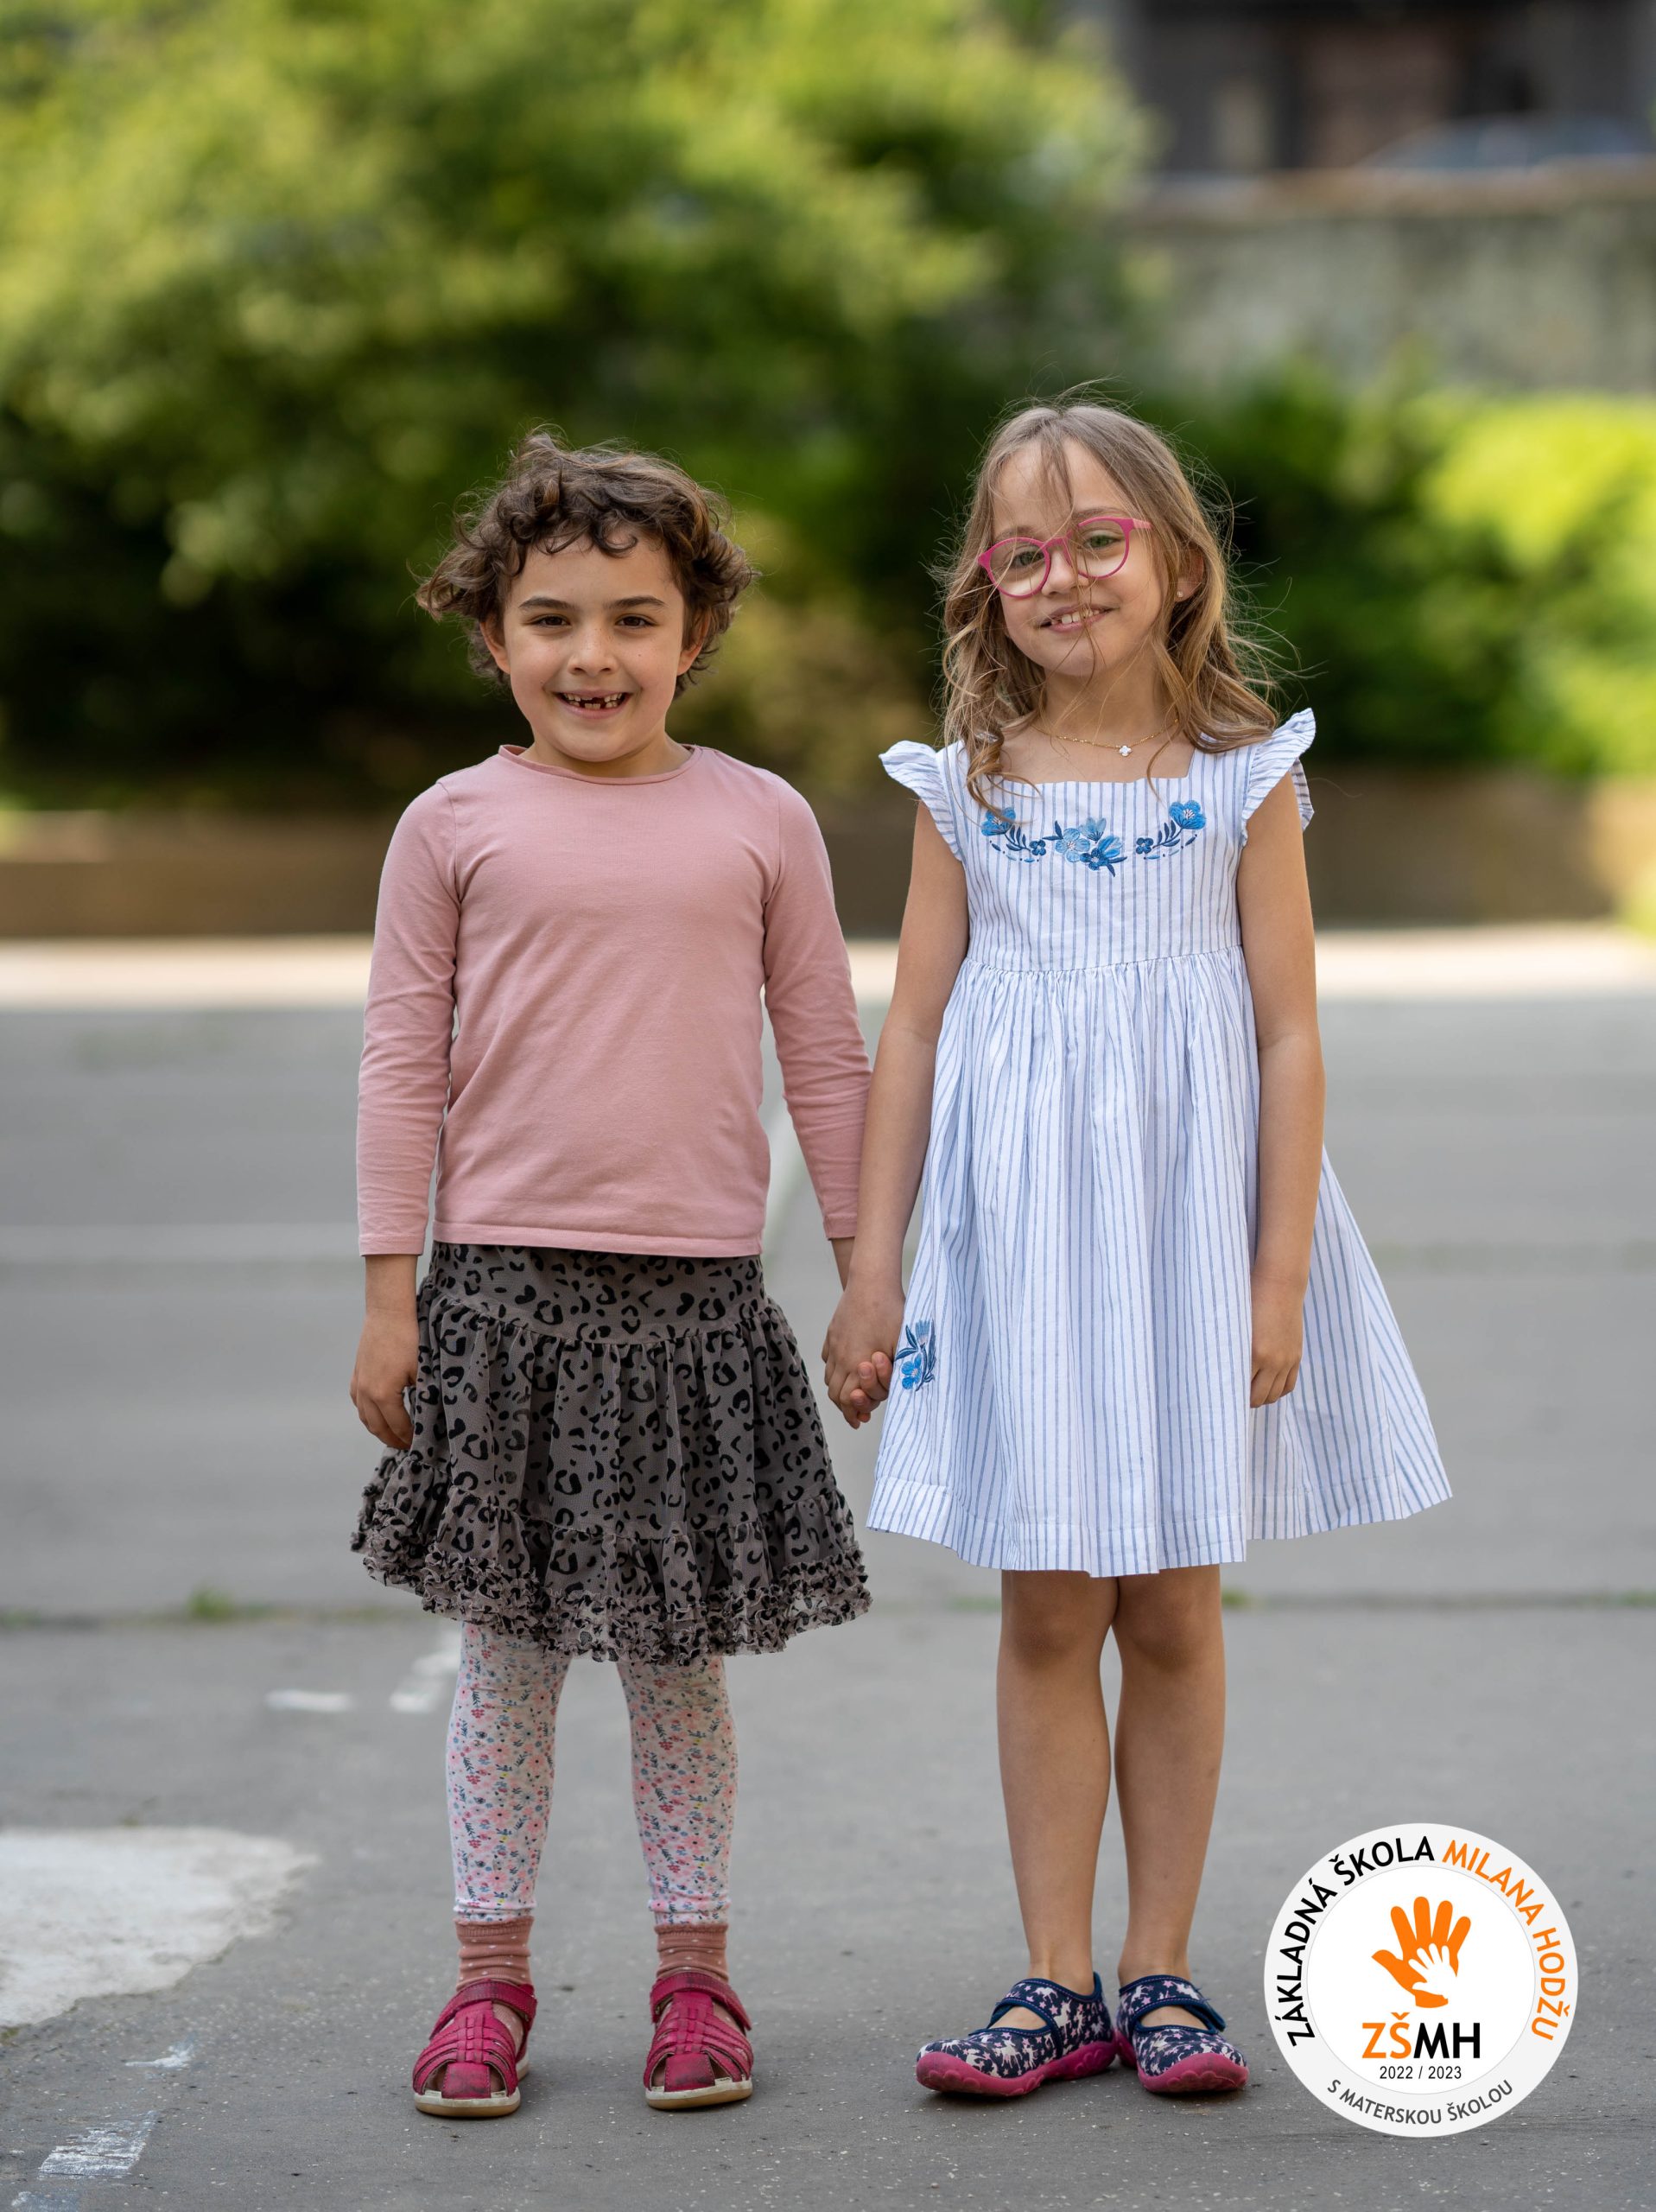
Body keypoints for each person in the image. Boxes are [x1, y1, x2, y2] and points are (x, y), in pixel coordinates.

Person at [823, 398, 1450, 2100]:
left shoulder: (1244, 779)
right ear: (984, 582)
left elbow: (1289, 1035)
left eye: (1097, 538)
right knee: (1047, 1602)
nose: (1062, 576)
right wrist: (873, 1266)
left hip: (1187, 1235)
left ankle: (1160, 1968)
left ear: (1175, 562)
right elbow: (912, 1035)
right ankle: (1052, 1979)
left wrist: (1274, 1277)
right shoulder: (965, 787)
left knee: (1170, 1600)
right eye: (1021, 550)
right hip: (1022, 1242)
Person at [350, 432, 872, 2118]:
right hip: (497, 1302)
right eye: (553, 618)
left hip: (696, 1309)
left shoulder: (761, 819)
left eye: (635, 618)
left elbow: (826, 1057)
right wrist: (386, 1292)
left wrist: (863, 1272)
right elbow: (400, 1065)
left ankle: (694, 1979)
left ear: (694, 633)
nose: (595, 655)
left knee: (675, 1661)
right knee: (504, 1661)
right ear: (490, 634)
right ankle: (486, 1983)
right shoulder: (451, 825)